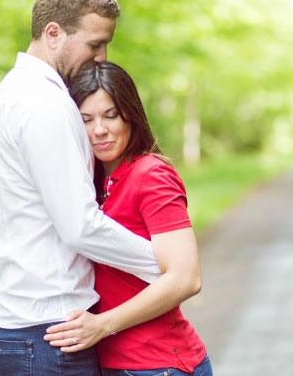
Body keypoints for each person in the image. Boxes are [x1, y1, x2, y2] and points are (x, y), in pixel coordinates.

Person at [0, 0, 161, 376]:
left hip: (15, 323)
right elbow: (80, 226)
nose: (103, 58)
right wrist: (163, 266)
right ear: (54, 33)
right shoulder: (46, 104)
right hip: (48, 333)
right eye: (95, 44)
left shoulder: (8, 93)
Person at [42, 61, 212, 376]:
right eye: (86, 120)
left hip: (158, 365)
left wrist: (102, 325)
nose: (99, 130)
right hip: (111, 363)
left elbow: (187, 278)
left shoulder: (151, 175)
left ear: (130, 115)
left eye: (111, 115)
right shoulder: (84, 185)